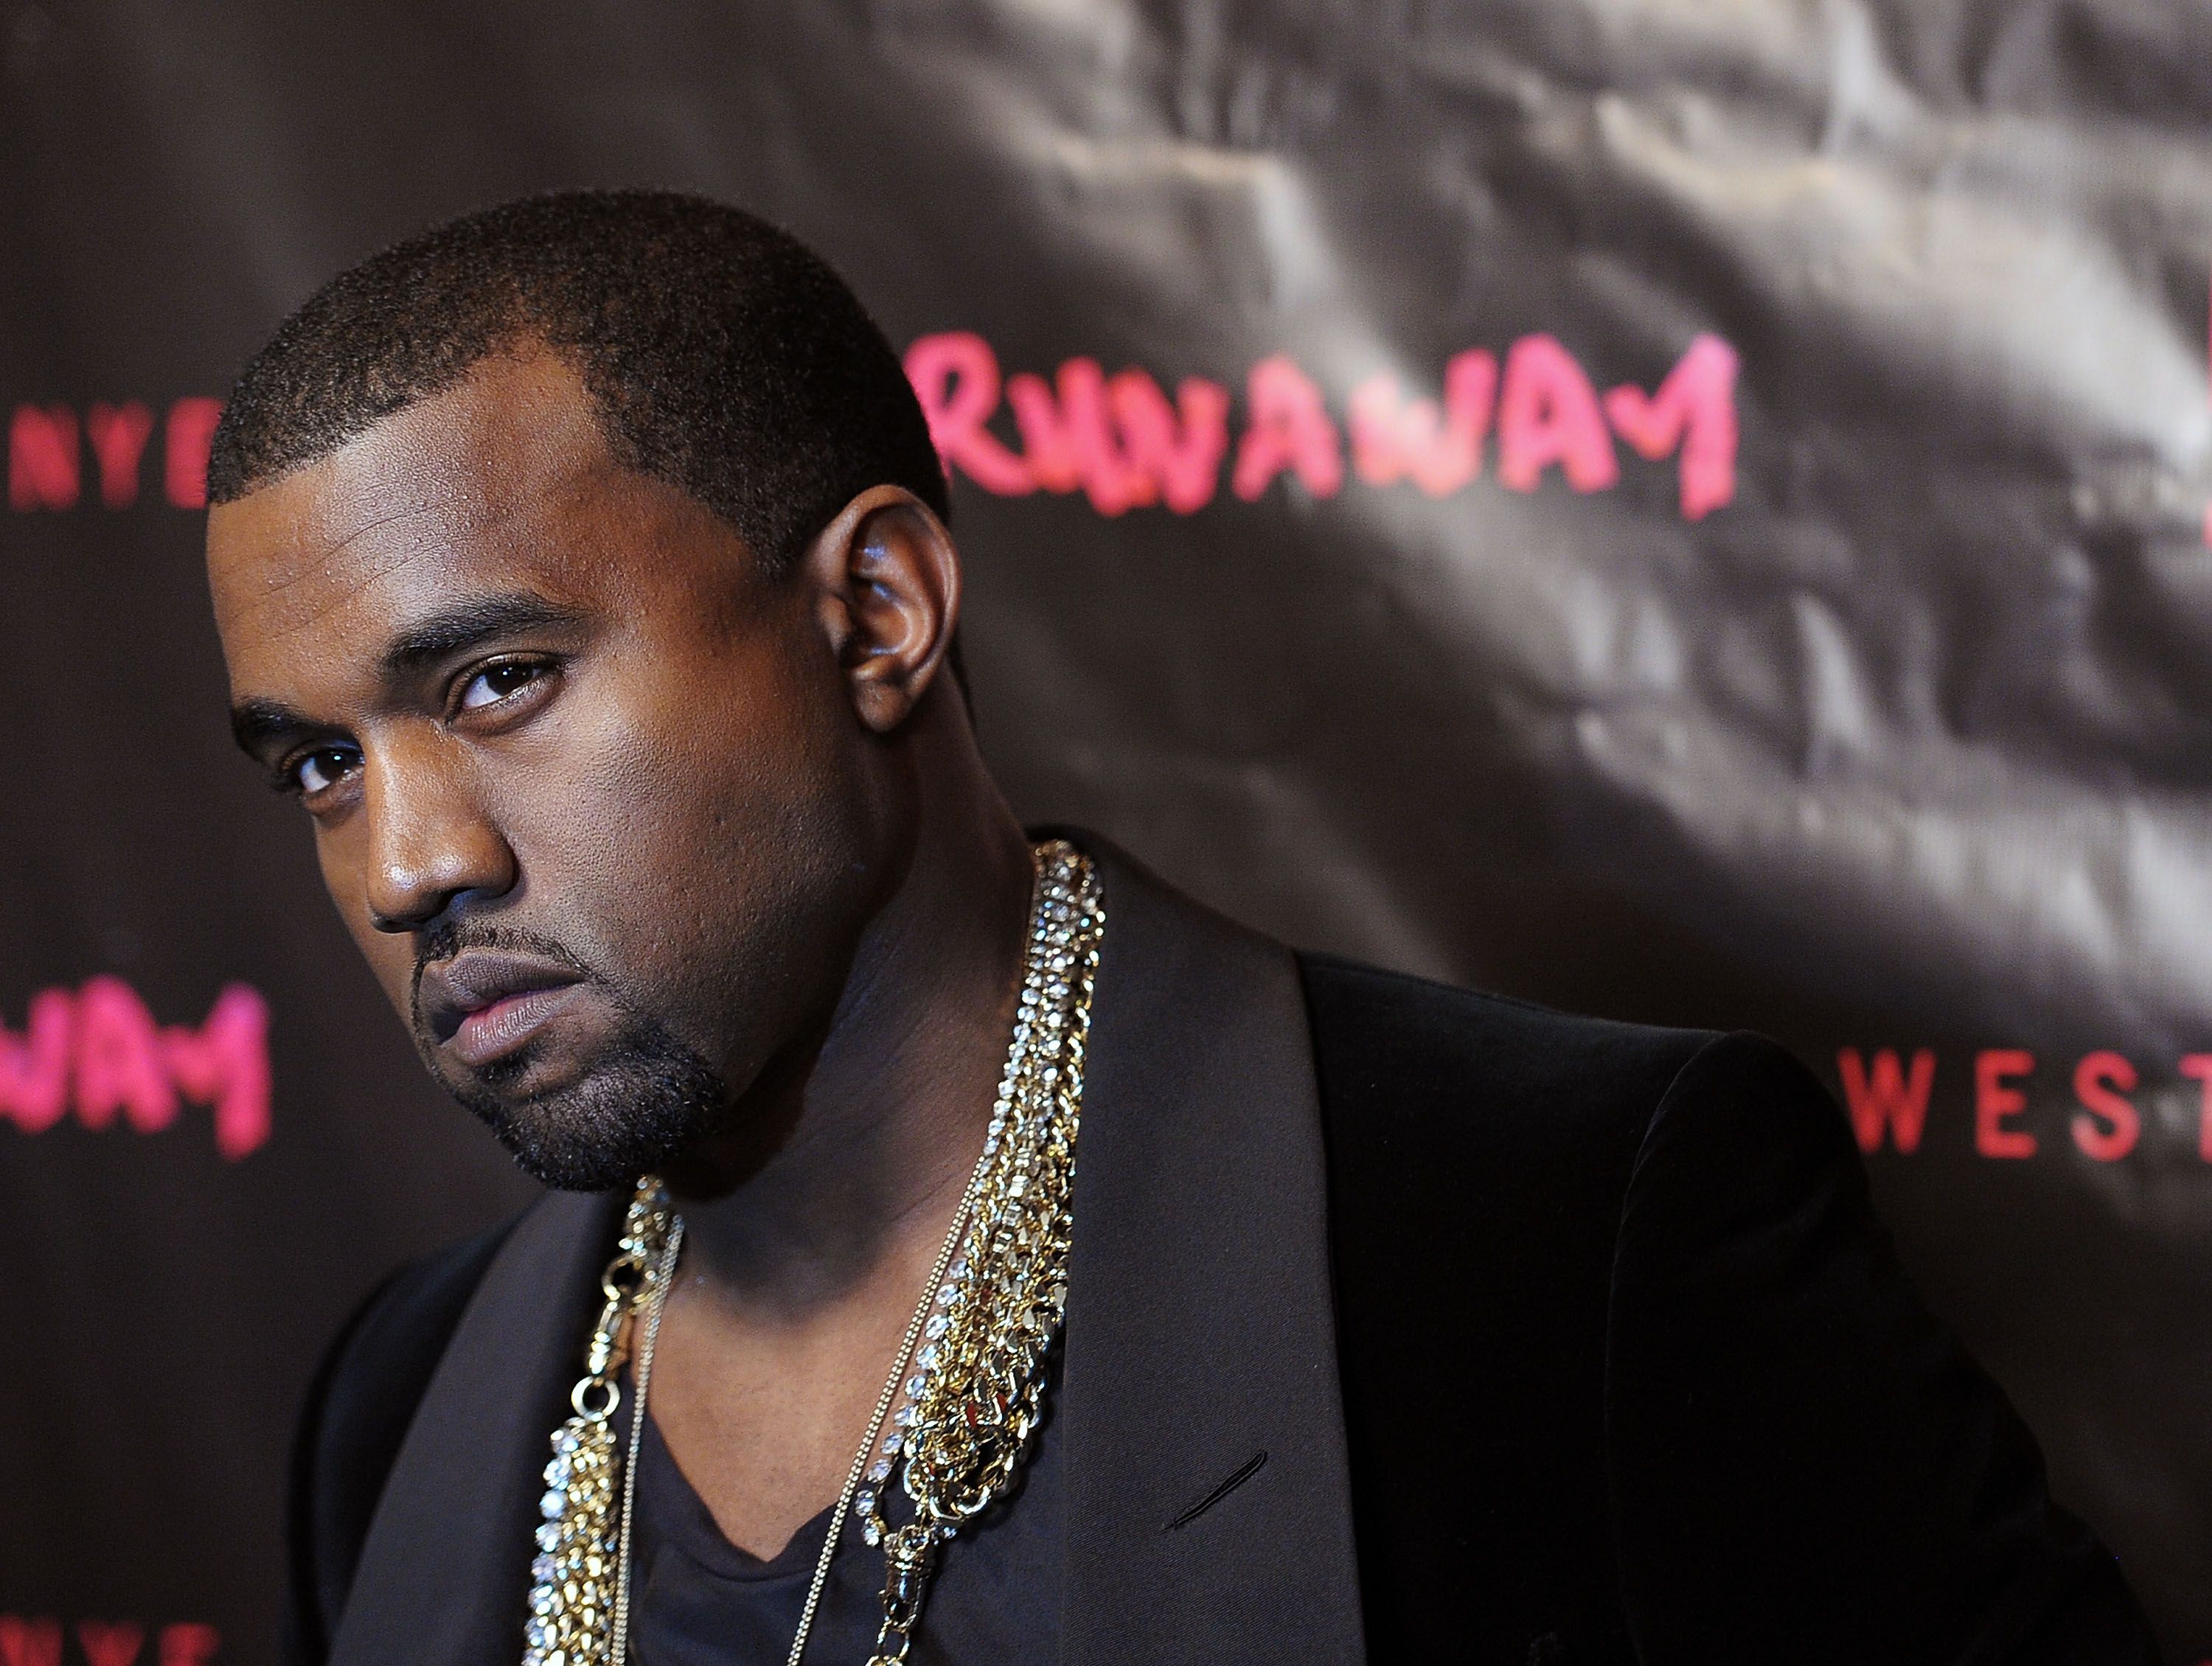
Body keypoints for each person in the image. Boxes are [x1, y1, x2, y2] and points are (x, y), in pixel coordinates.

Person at [203, 189, 2157, 1666]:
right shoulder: (404, 1407)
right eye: (314, 767)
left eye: (494, 685)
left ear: (876, 610)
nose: (403, 865)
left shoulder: (1561, 1242)